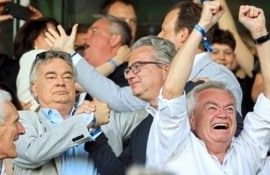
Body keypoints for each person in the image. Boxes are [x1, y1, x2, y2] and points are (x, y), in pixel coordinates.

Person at [49, 1, 243, 134]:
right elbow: (117, 97)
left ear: (183, 35)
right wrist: (72, 56)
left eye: (164, 30)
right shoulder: (163, 78)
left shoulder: (219, 77)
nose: (158, 35)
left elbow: (228, 133)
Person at [83, 1, 220, 174]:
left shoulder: (200, 98)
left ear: (165, 69)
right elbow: (119, 172)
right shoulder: (142, 129)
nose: (131, 75)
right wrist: (94, 132)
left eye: (138, 66)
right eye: (129, 69)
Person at [146, 4, 270, 175]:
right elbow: (170, 93)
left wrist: (260, 33)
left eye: (229, 109)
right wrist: (202, 25)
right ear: (192, 120)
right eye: (211, 108)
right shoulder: (174, 149)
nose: (222, 114)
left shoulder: (247, 152)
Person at [12, 50, 147, 175]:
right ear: (35, 89)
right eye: (51, 77)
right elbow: (31, 154)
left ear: (74, 85)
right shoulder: (22, 120)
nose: (61, 82)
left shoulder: (105, 117)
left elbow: (152, 109)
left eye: (67, 77)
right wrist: (86, 121)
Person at [211, 29, 255, 116]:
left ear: (235, 56)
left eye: (227, 53)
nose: (221, 57)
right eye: (215, 52)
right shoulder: (196, 81)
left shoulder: (246, 86)